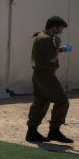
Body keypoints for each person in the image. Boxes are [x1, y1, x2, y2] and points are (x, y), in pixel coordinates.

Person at [26, 15, 72, 143]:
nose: (61, 32)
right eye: (60, 29)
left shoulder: (42, 37)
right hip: (46, 75)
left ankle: (32, 132)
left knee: (41, 102)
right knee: (62, 101)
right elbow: (52, 58)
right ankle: (54, 131)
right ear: (54, 27)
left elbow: (49, 55)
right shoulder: (45, 39)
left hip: (40, 75)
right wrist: (58, 46)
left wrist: (59, 49)